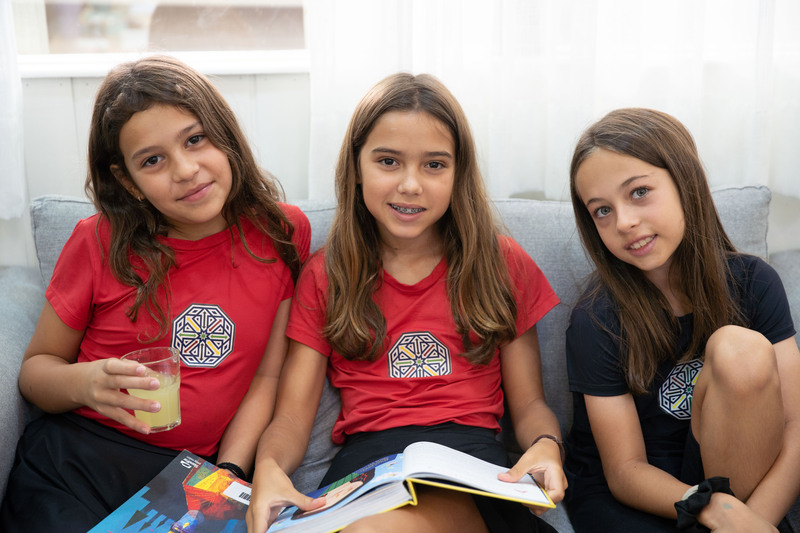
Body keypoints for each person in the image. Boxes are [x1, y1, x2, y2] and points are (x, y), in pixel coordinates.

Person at [0, 55, 310, 532]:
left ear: (224, 135)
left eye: (195, 139)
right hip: (76, 461)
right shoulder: (97, 240)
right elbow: (35, 371)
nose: (185, 170)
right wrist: (87, 382)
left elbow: (267, 377)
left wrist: (228, 473)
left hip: (186, 479)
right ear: (129, 181)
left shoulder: (280, 232)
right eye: (153, 160)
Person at [245, 72, 566, 533]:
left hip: (471, 467)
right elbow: (292, 418)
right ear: (357, 167)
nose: (411, 185)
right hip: (369, 468)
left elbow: (531, 403)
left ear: (458, 173)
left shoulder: (500, 262)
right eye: (388, 161)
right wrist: (269, 468)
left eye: (434, 165)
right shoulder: (327, 273)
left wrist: (547, 443)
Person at [563, 107, 800, 532]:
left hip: (738, 480)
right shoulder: (595, 319)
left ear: (685, 181)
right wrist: (713, 511)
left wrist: (752, 523)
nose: (624, 222)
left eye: (639, 192)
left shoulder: (754, 283)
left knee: (740, 349)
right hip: (641, 493)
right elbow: (626, 470)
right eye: (602, 211)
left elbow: (796, 426)